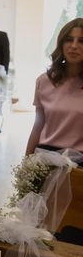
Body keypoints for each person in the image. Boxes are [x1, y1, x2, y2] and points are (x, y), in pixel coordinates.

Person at [26, 18, 83, 155]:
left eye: (82, 41)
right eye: (69, 39)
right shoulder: (44, 81)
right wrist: (26, 161)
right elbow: (38, 125)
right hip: (46, 158)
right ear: (61, 44)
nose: (74, 46)